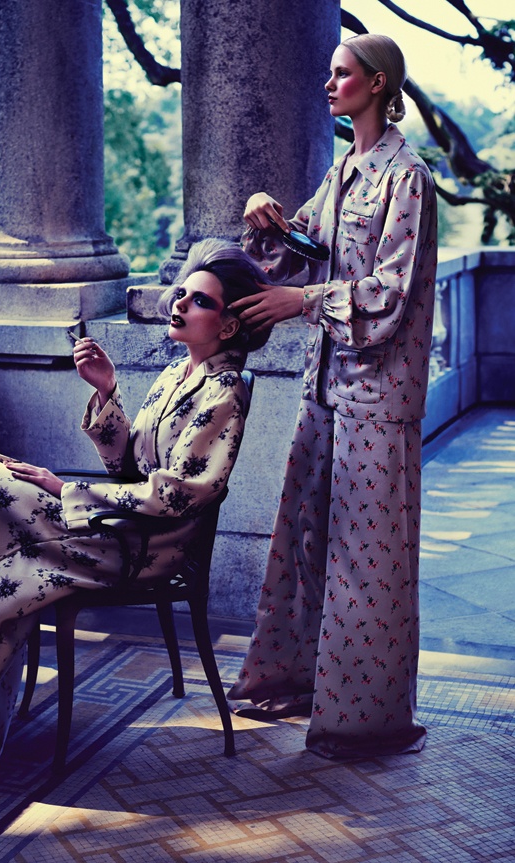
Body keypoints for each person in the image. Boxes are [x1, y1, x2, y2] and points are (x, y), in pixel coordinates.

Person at [0, 238, 270, 760]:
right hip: (111, 524)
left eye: (200, 300)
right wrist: (107, 390)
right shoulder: (175, 375)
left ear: (228, 326)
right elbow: (129, 467)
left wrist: (62, 488)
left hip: (140, 546)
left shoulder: (224, 393)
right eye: (182, 292)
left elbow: (177, 495)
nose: (181, 302)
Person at [227, 34, 438, 759]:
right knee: (307, 539)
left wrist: (303, 302)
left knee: (367, 559)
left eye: (342, 73)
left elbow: (389, 294)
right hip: (325, 384)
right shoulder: (343, 168)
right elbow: (303, 254)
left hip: (379, 393)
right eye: (328, 73)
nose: (329, 83)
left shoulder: (408, 178)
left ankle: (367, 720)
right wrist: (268, 219)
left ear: (377, 84)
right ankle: (293, 681)